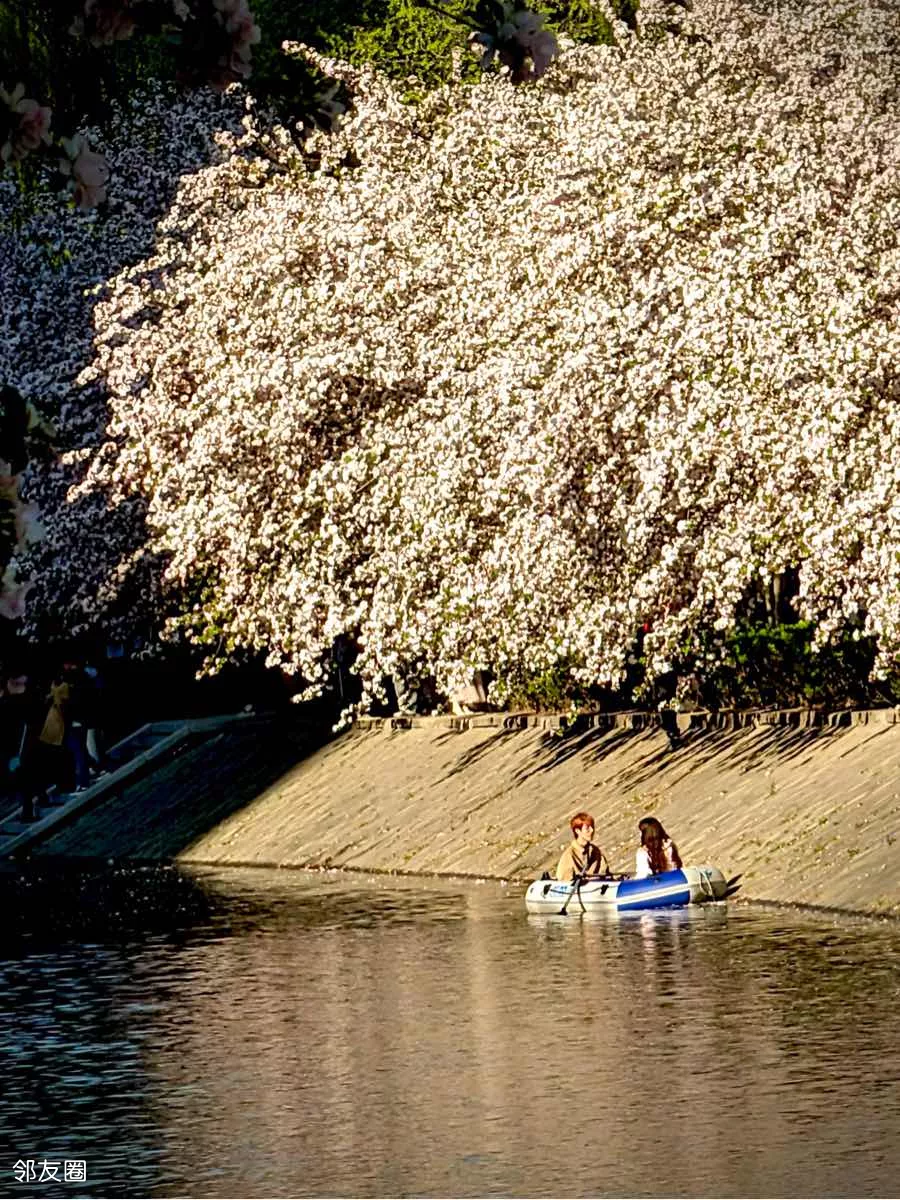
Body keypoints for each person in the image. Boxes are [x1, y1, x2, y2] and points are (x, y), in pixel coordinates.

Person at [556, 810, 610, 881]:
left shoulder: (596, 851)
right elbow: (564, 881)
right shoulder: (569, 855)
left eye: (592, 827)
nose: (592, 830)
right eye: (587, 828)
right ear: (577, 831)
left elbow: (605, 874)